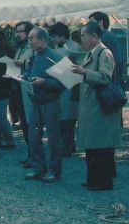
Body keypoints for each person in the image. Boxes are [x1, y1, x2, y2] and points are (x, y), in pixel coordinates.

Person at [72, 21, 121, 191]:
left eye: (84, 35)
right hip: (90, 106)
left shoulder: (104, 53)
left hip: (100, 106)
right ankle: (93, 179)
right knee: (92, 146)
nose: (82, 39)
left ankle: (103, 181)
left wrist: (85, 72)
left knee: (102, 146)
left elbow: (105, 77)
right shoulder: (90, 53)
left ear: (94, 36)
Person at [23, 27, 65, 182]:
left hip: (50, 102)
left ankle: (55, 171)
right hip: (36, 102)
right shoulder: (33, 56)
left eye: (32, 38)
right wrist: (24, 77)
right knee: (33, 136)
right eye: (29, 38)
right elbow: (29, 72)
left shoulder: (55, 57)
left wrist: (45, 82)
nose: (29, 41)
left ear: (42, 40)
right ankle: (39, 168)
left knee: (53, 137)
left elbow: (64, 83)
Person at [49, 22, 81, 156]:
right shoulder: (57, 47)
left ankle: (68, 146)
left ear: (62, 36)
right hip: (60, 85)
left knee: (68, 117)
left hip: (71, 85)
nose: (53, 40)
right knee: (62, 117)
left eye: (55, 37)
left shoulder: (74, 46)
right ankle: (66, 145)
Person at [12, 21, 35, 165]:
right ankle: (31, 154)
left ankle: (34, 155)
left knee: (30, 122)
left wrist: (22, 63)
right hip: (18, 85)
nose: (17, 34)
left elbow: (31, 61)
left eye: (20, 31)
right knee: (24, 121)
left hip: (28, 88)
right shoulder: (19, 47)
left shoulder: (32, 47)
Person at [89, 11, 124, 79]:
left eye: (92, 22)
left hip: (109, 80)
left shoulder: (106, 37)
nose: (89, 25)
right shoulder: (108, 36)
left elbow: (118, 60)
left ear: (100, 22)